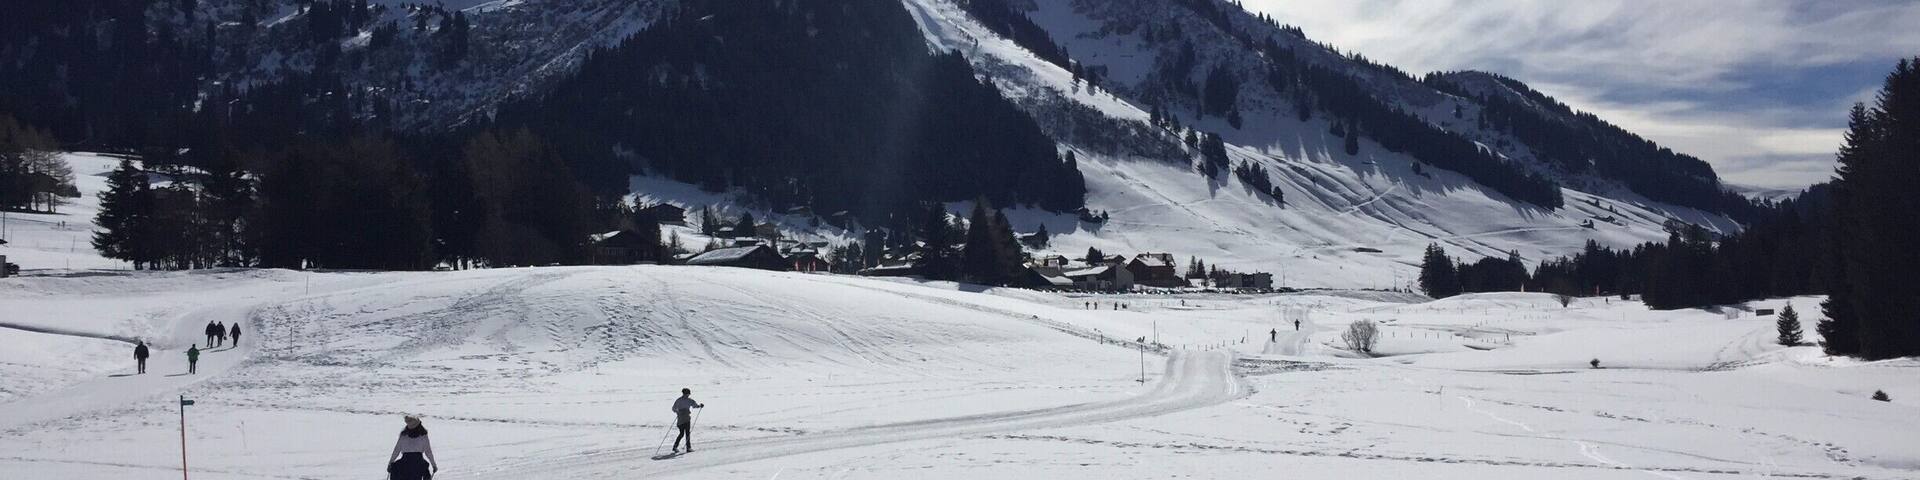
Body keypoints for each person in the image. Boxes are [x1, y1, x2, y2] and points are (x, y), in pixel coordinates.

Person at [387, 415, 437, 479]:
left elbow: (396, 451)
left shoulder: (403, 436)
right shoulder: (423, 436)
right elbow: (428, 452)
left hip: (404, 464)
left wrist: (390, 463)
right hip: (418, 464)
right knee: (425, 472)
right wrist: (433, 465)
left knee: (396, 469)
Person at [671, 388, 705, 453]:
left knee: (687, 433)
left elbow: (695, 406)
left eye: (688, 394)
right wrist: (678, 412)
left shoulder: (688, 400)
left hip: (686, 419)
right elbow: (673, 408)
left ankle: (688, 448)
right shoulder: (680, 400)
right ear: (684, 393)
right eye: (687, 394)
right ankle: (676, 447)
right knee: (682, 434)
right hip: (681, 419)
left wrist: (700, 406)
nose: (687, 395)